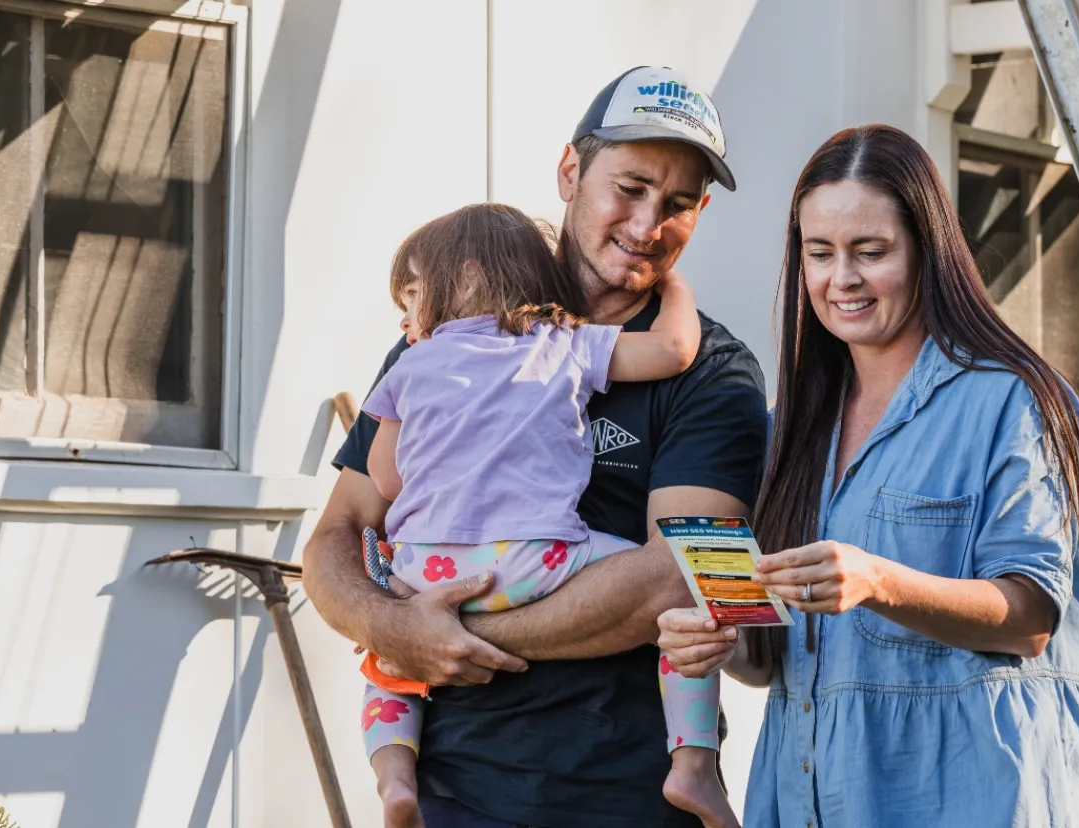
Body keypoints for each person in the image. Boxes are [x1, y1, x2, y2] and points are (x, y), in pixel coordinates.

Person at [302, 66, 768, 828]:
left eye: (678, 204)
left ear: (700, 213)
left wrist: (448, 636)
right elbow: (335, 537)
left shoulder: (715, 375)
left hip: (626, 797)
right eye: (631, 186)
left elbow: (685, 576)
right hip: (453, 793)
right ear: (569, 172)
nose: (648, 224)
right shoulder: (447, 338)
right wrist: (389, 627)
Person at [657, 124, 1079, 827]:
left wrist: (877, 580)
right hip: (808, 801)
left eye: (870, 251)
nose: (840, 278)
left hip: (980, 800)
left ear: (928, 253)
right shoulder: (786, 424)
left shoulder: (1013, 401)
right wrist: (721, 644)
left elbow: (1031, 618)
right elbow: (773, 663)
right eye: (819, 253)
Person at [353, 202, 735, 828]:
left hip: (430, 573)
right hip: (538, 560)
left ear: (468, 278)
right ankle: (692, 763)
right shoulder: (561, 343)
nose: (404, 318)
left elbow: (388, 479)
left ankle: (394, 779)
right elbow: (673, 348)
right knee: (691, 582)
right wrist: (676, 283)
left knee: (389, 663)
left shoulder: (411, 363)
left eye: (412, 296)